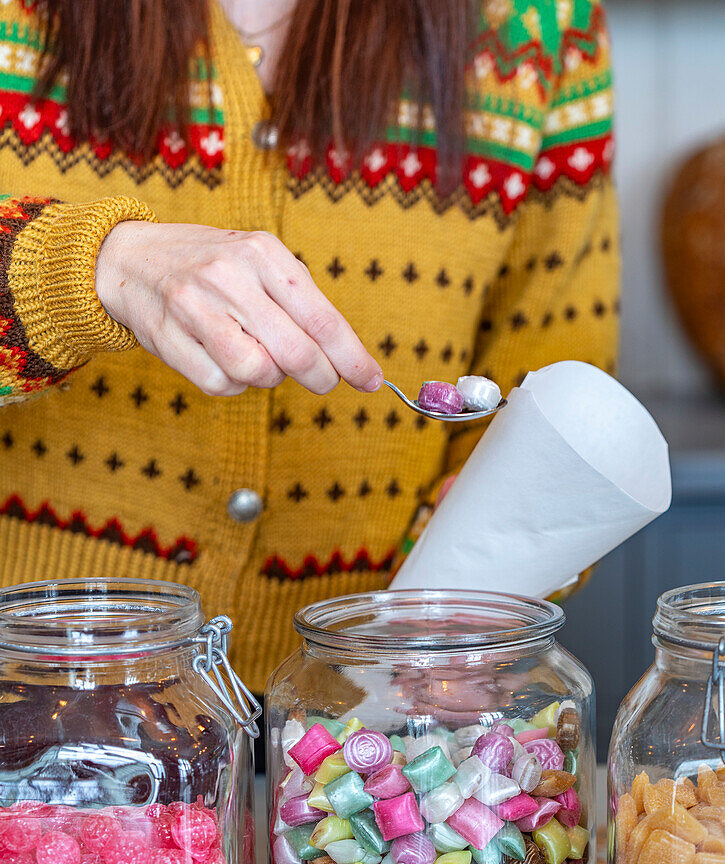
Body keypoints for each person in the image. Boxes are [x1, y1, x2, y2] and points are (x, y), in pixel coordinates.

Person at [0, 0, 619, 696]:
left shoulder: (540, 27)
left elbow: (550, 405)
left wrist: (454, 611)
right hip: (32, 688)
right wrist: (93, 267)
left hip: (366, 723)